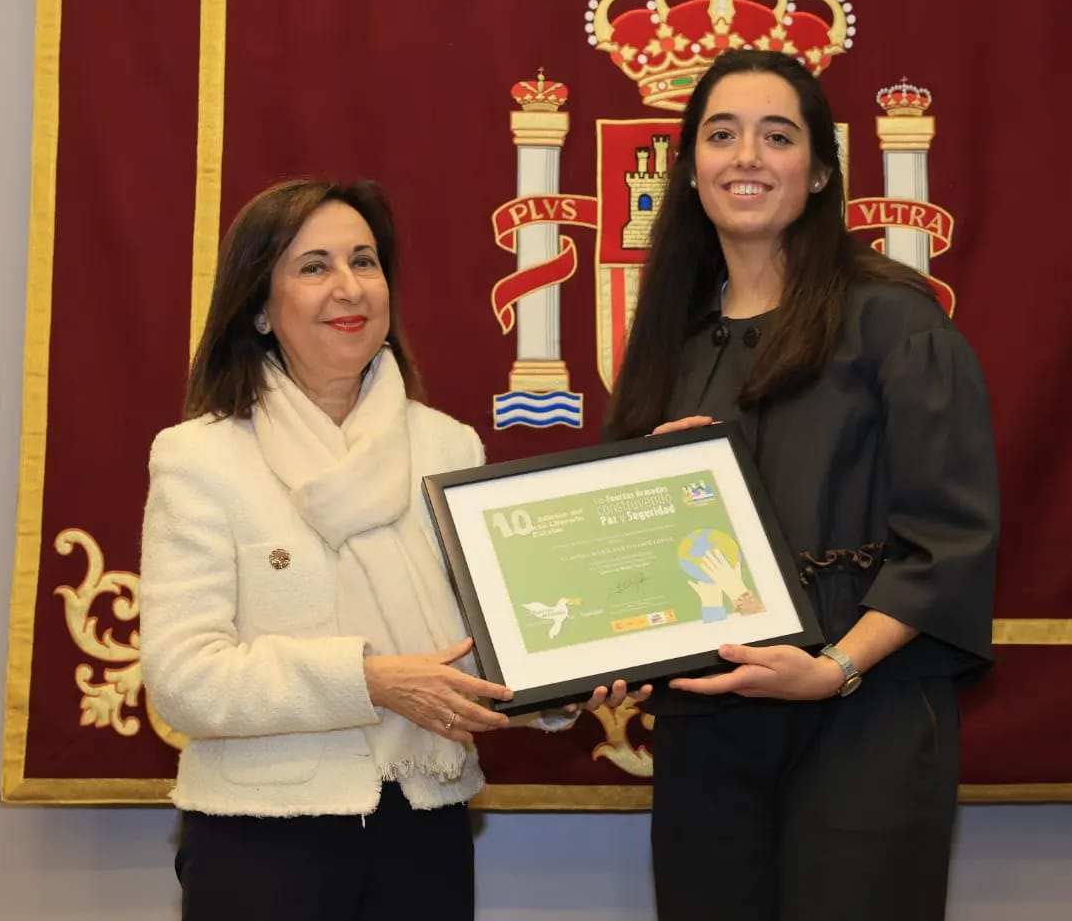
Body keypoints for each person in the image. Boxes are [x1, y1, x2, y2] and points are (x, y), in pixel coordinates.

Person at [139, 178, 633, 920]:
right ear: (260, 309)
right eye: (314, 267)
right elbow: (185, 679)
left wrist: (564, 676)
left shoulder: (448, 443)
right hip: (262, 838)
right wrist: (365, 678)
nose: (350, 288)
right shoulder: (199, 458)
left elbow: (480, 647)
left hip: (423, 827)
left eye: (364, 262)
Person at [604, 51, 1000, 921]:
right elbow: (623, 552)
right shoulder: (669, 341)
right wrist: (601, 648)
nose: (746, 156)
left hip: (866, 720)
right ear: (690, 169)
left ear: (820, 171)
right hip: (705, 735)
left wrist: (834, 669)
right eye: (721, 134)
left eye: (776, 136)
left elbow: (950, 543)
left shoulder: (895, 321)